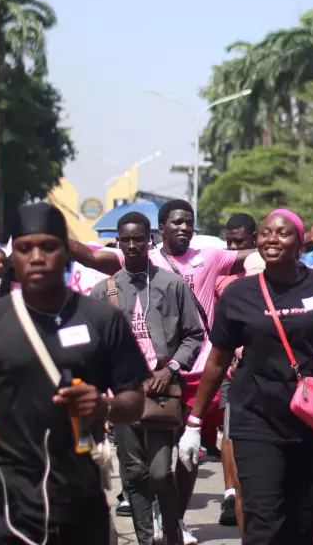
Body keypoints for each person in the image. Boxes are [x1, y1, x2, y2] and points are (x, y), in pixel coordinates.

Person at [178, 208, 313, 545]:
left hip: (310, 418)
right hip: (256, 417)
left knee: (304, 518)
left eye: (282, 233)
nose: (272, 239)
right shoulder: (239, 294)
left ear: (299, 244)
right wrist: (194, 424)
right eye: (266, 233)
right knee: (263, 516)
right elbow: (218, 359)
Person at [0, 201, 150, 545]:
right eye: (24, 249)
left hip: (79, 502)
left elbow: (135, 402)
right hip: (5, 505)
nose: (36, 257)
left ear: (66, 250)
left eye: (49, 246)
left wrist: (104, 407)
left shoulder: (102, 319)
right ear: (14, 255)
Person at [90, 211, 204, 545]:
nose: (132, 245)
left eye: (138, 238)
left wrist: (171, 368)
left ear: (149, 239)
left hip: (163, 393)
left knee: (159, 472)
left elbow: (194, 335)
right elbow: (95, 345)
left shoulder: (173, 284)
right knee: (135, 475)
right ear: (118, 243)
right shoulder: (104, 292)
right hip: (125, 396)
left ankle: (172, 530)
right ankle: (145, 539)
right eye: (125, 240)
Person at [215, 213, 258, 530]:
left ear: (255, 239)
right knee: (229, 433)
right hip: (230, 370)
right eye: (228, 242)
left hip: (267, 369)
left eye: (239, 243)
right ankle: (231, 494)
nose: (232, 249)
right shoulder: (219, 276)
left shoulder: (269, 270)